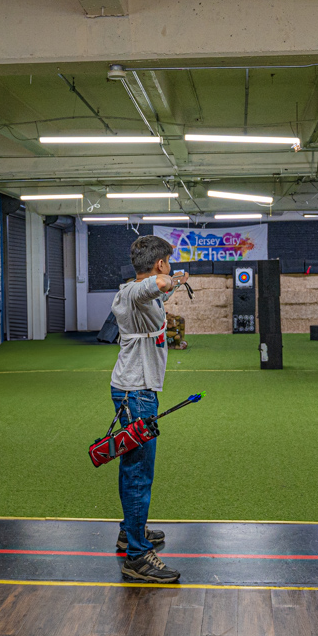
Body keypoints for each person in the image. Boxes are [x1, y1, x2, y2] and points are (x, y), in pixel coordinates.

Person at [109, 235, 188, 583]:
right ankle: (137, 557)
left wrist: (176, 283)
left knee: (134, 467)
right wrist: (168, 279)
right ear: (159, 264)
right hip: (136, 394)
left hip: (139, 390)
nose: (168, 269)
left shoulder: (143, 297)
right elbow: (154, 286)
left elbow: (158, 292)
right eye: (167, 262)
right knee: (138, 473)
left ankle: (130, 532)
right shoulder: (132, 292)